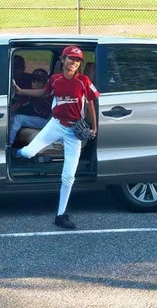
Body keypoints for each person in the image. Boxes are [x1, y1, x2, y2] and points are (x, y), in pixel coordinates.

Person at [13, 46, 99, 230]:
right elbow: (45, 92)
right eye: (71, 58)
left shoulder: (84, 81)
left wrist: (94, 127)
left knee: (68, 176)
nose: (74, 62)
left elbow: (91, 103)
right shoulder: (55, 79)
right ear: (63, 59)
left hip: (74, 130)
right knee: (28, 153)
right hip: (56, 124)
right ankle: (16, 153)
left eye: (77, 60)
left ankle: (60, 215)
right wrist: (21, 91)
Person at [9, 68, 52, 145]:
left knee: (19, 119)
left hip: (47, 121)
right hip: (35, 119)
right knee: (11, 118)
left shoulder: (48, 93)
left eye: (39, 82)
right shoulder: (28, 94)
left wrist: (21, 92)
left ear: (45, 83)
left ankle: (8, 144)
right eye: (34, 81)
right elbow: (14, 107)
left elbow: (44, 93)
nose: (36, 84)